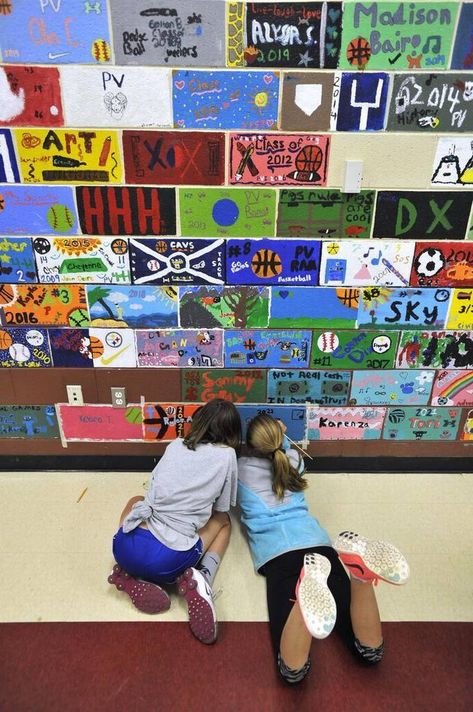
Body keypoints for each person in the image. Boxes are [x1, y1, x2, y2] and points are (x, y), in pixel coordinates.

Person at [237, 414, 409, 684]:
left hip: (278, 555)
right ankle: (361, 579)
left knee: (292, 672)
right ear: (279, 437)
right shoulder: (294, 460)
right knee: (370, 653)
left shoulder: (239, 469)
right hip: (320, 548)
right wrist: (283, 438)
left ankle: (302, 599)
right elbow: (283, 451)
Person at [108, 398, 241, 645]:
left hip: (123, 548)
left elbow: (153, 488)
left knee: (136, 498)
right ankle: (202, 578)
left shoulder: (176, 444)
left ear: (198, 421)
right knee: (224, 522)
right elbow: (221, 508)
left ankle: (130, 574)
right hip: (167, 560)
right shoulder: (228, 456)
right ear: (232, 432)